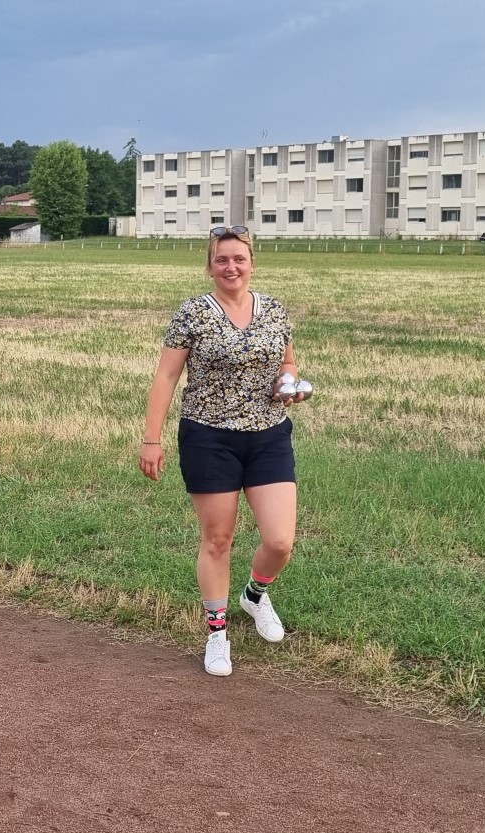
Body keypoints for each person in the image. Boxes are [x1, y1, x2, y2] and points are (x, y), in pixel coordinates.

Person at [139, 224, 306, 678]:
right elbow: (166, 377)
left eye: (239, 259)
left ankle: (253, 596)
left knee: (280, 540)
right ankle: (217, 634)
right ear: (210, 266)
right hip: (209, 437)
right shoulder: (192, 313)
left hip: (269, 434)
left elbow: (287, 359)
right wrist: (151, 439)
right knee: (218, 540)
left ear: (252, 262)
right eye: (222, 260)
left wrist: (288, 382)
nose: (231, 267)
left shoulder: (273, 309)